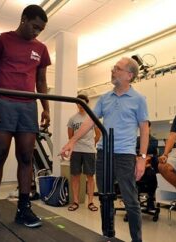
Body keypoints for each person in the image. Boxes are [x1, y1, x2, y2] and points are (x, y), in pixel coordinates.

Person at [0, 5, 51, 233]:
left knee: (26, 157)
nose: (37, 32)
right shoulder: (0, 40)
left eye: (40, 29)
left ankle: (23, 208)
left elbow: (41, 82)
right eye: (34, 26)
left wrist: (46, 108)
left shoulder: (41, 48)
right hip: (3, 102)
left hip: (28, 106)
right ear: (23, 19)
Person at [61, 57, 149, 242]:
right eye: (114, 68)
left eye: (117, 68)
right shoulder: (105, 98)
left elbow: (144, 128)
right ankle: (108, 236)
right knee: (105, 197)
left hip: (125, 154)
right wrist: (72, 141)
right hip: (103, 153)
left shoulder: (139, 99)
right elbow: (90, 121)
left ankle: (137, 240)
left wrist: (141, 158)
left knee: (131, 201)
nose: (113, 71)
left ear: (129, 75)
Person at [67, 94, 101, 212]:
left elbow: (98, 134)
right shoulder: (72, 119)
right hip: (76, 151)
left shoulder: (92, 117)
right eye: (78, 103)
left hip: (89, 151)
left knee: (90, 176)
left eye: (83, 103)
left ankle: (90, 202)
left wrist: (91, 144)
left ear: (87, 103)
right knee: (75, 176)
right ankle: (75, 201)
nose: (80, 105)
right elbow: (71, 137)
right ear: (76, 104)